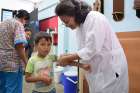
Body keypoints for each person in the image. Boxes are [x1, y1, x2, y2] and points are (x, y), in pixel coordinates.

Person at [55, 0, 128, 93]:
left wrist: (68, 58)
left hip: (111, 68)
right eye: (64, 23)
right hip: (97, 71)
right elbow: (83, 52)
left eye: (67, 21)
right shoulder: (80, 27)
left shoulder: (95, 18)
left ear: (75, 13)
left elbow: (91, 49)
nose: (66, 25)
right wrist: (68, 57)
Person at [0, 9, 30, 93]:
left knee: (2, 87)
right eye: (26, 21)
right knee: (13, 88)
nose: (25, 24)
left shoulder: (2, 23)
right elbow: (19, 47)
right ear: (24, 18)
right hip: (13, 64)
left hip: (1, 63)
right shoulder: (18, 24)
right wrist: (26, 62)